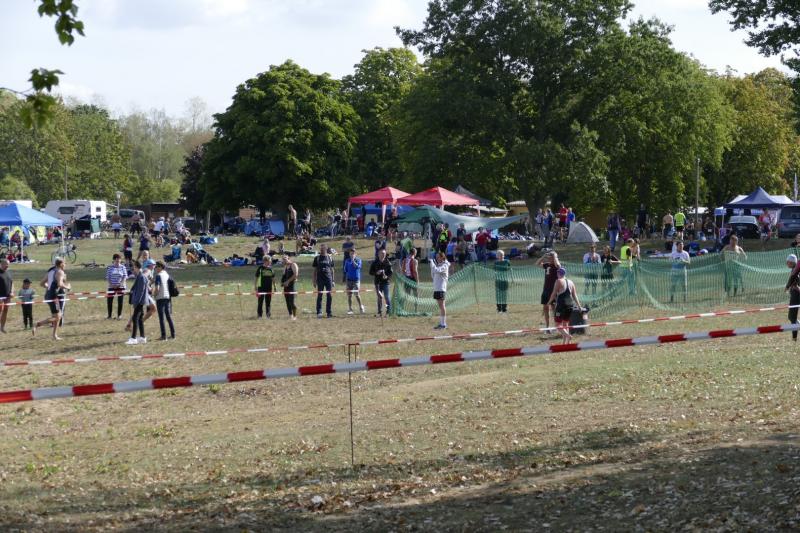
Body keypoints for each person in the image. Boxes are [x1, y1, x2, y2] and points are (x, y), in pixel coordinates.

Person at [34, 258, 70, 340]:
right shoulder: (60, 272)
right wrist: (67, 287)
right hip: (53, 296)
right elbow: (60, 284)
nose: (65, 265)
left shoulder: (51, 271)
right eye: (64, 263)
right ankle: (38, 324)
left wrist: (49, 287)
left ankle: (54, 335)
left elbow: (42, 283)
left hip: (48, 295)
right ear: (61, 264)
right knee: (57, 317)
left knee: (57, 316)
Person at [547, 267, 582, 344]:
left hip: (561, 304)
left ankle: (568, 336)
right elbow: (574, 295)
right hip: (570, 304)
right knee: (565, 324)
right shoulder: (571, 282)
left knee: (557, 325)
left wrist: (549, 302)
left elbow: (553, 293)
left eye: (557, 273)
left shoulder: (558, 281)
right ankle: (566, 343)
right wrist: (579, 306)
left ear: (558, 273)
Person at [536, 251, 561, 330]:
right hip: (545, 290)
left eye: (551, 257)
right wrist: (543, 256)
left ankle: (556, 326)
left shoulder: (556, 265)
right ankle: (547, 327)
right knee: (545, 308)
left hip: (553, 291)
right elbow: (537, 264)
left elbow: (558, 266)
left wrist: (555, 256)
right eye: (549, 257)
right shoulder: (547, 265)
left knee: (554, 309)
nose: (549, 258)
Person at [126, 261, 148, 344]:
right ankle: (142, 337)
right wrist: (130, 292)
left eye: (134, 267)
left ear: (137, 267)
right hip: (140, 301)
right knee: (139, 319)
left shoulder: (141, 277)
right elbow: (135, 288)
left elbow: (140, 292)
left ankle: (133, 338)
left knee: (135, 318)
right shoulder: (139, 276)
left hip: (139, 301)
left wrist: (136, 302)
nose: (133, 269)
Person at [312, 244, 335, 318]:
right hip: (320, 279)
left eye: (323, 248)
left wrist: (333, 280)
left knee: (329, 295)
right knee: (320, 295)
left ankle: (329, 312)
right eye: (320, 248)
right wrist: (314, 281)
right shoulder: (317, 258)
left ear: (326, 249)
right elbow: (314, 271)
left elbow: (332, 270)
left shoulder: (330, 257)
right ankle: (319, 312)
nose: (321, 250)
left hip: (328, 279)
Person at [370, 248, 392, 317]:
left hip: (386, 282)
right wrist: (376, 273)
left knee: (387, 297)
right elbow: (370, 272)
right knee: (379, 297)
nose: (383, 255)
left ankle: (389, 310)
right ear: (378, 254)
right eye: (382, 253)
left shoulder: (388, 263)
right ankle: (380, 311)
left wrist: (387, 276)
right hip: (378, 283)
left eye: (384, 253)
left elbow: (390, 272)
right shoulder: (375, 262)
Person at [430, 250, 450, 329]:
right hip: (437, 288)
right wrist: (432, 265)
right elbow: (433, 274)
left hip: (441, 288)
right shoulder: (438, 265)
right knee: (440, 306)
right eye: (436, 257)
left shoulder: (445, 265)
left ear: (442, 257)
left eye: (439, 257)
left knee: (442, 306)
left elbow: (436, 270)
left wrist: (432, 263)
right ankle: (441, 323)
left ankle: (443, 324)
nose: (437, 258)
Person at [105, 253, 128, 320]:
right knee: (109, 301)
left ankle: (119, 315)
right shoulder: (110, 267)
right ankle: (109, 316)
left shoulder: (123, 267)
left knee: (120, 301)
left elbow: (125, 276)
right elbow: (108, 277)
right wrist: (112, 285)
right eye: (116, 259)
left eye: (119, 259)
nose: (118, 260)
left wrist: (120, 284)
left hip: (121, 287)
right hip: (111, 287)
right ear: (114, 260)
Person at [343, 248, 365, 315]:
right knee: (349, 295)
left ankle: (361, 307)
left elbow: (357, 267)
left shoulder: (358, 260)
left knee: (357, 294)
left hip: (356, 280)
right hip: (349, 280)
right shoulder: (347, 261)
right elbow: (345, 270)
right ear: (349, 254)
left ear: (355, 254)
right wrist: (346, 280)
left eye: (353, 254)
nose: (352, 255)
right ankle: (350, 309)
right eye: (350, 254)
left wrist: (353, 261)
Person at [785, 254, 800, 341]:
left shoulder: (795, 270)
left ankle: (794, 338)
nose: (787, 263)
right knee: (792, 317)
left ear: (791, 262)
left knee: (792, 317)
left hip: (796, 295)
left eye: (788, 262)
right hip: (795, 294)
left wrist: (794, 286)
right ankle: (794, 337)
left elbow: (796, 278)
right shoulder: (794, 269)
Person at [281, 253, 299, 320]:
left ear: (288, 258)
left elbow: (295, 274)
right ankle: (290, 315)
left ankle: (295, 316)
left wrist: (288, 281)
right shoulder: (285, 267)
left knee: (292, 302)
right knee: (287, 302)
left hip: (292, 286)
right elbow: (283, 276)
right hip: (286, 287)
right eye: (283, 259)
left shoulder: (293, 264)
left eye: (285, 258)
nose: (284, 260)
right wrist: (282, 283)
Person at [0, 258, 12, 333]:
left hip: (8, 296)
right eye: (6, 265)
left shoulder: (8, 272)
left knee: (5, 311)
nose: (7, 266)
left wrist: (12, 292)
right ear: (1, 264)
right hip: (0, 296)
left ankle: (2, 327)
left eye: (8, 265)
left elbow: (12, 283)